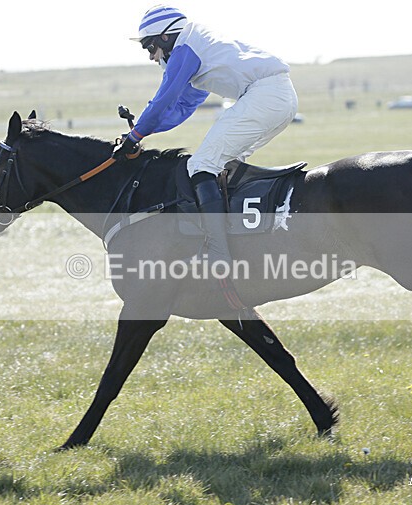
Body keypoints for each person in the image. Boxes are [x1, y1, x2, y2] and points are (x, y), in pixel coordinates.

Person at [114, 4, 298, 309]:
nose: (151, 56)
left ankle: (218, 250)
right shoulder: (196, 50)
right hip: (276, 97)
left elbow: (166, 97)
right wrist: (142, 131)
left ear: (166, 36)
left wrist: (136, 137)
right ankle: (241, 236)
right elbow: (182, 106)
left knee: (201, 165)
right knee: (221, 166)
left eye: (150, 47)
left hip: (266, 96)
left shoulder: (186, 47)